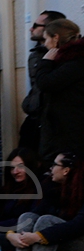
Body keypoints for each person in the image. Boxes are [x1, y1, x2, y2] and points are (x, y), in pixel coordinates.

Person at [0, 152, 84, 251]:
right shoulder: (53, 188)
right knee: (28, 216)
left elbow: (78, 226)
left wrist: (39, 236)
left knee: (46, 220)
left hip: (77, 250)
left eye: (55, 165)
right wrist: (11, 235)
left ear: (66, 170)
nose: (51, 168)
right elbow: (35, 213)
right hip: (57, 245)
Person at [35, 19, 84, 163]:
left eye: (46, 39)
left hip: (69, 131)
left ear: (55, 38)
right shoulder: (71, 59)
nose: (45, 44)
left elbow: (46, 83)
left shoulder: (74, 62)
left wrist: (45, 62)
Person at [19, 9, 66, 149]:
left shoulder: (64, 55)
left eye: (35, 25)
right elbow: (36, 86)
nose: (31, 29)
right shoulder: (35, 54)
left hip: (54, 122)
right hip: (35, 118)